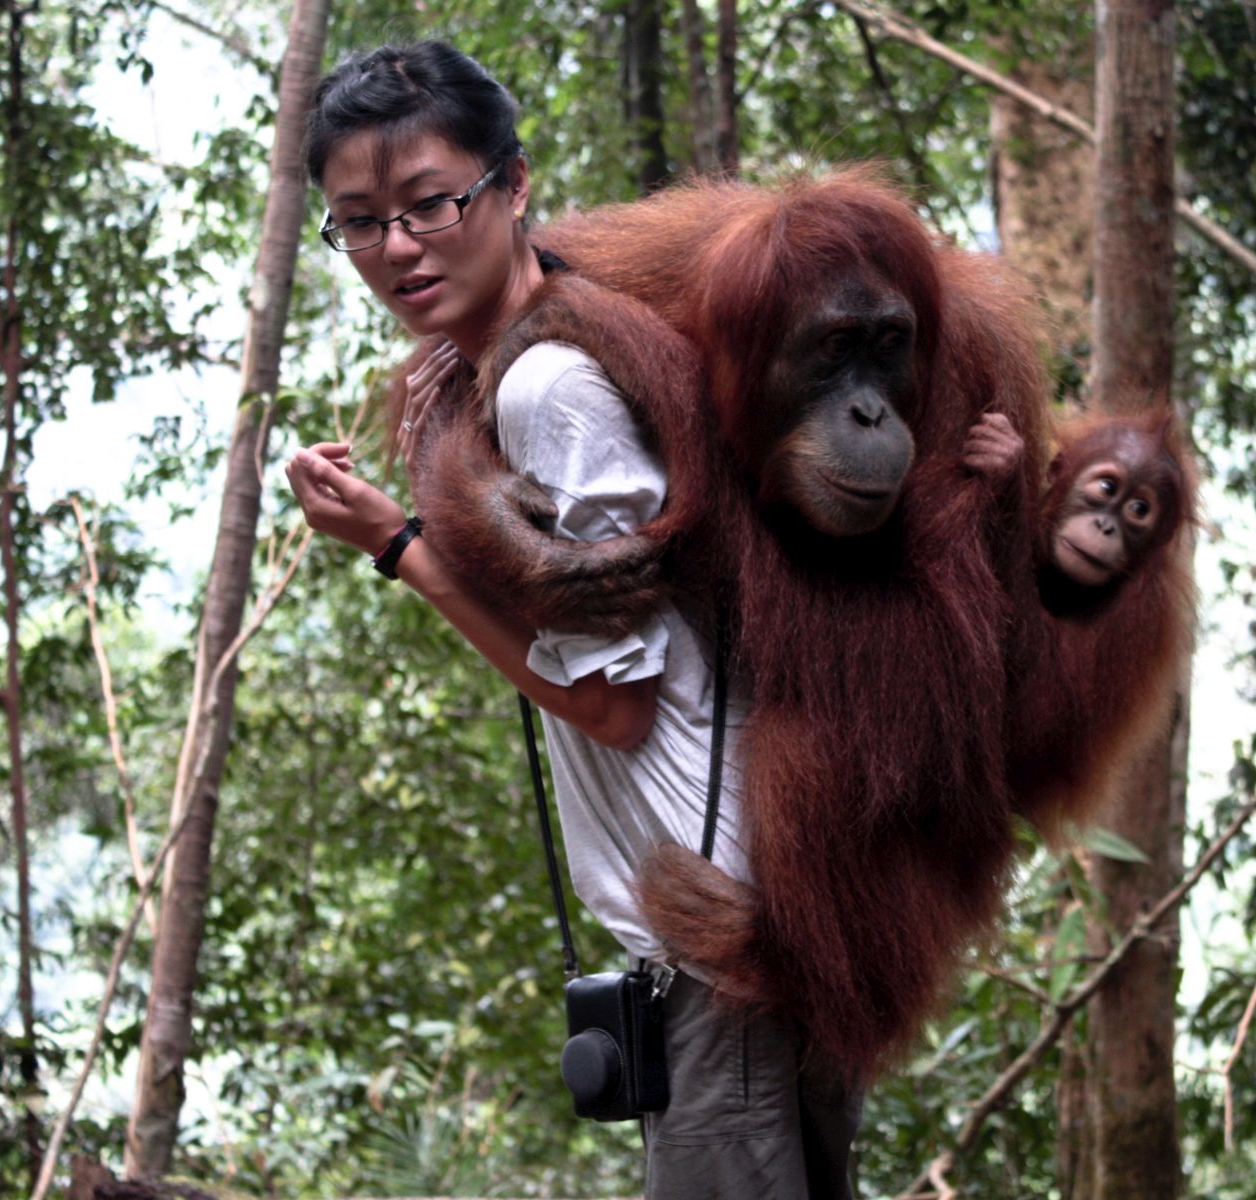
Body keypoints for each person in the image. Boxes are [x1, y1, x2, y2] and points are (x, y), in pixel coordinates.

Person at [281, 42, 862, 1199]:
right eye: (357, 220)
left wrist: (402, 549)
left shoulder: (554, 387)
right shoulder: (553, 344)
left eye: (430, 203)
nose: (397, 248)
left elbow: (611, 705)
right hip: (762, 917)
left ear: (514, 186)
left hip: (722, 939)